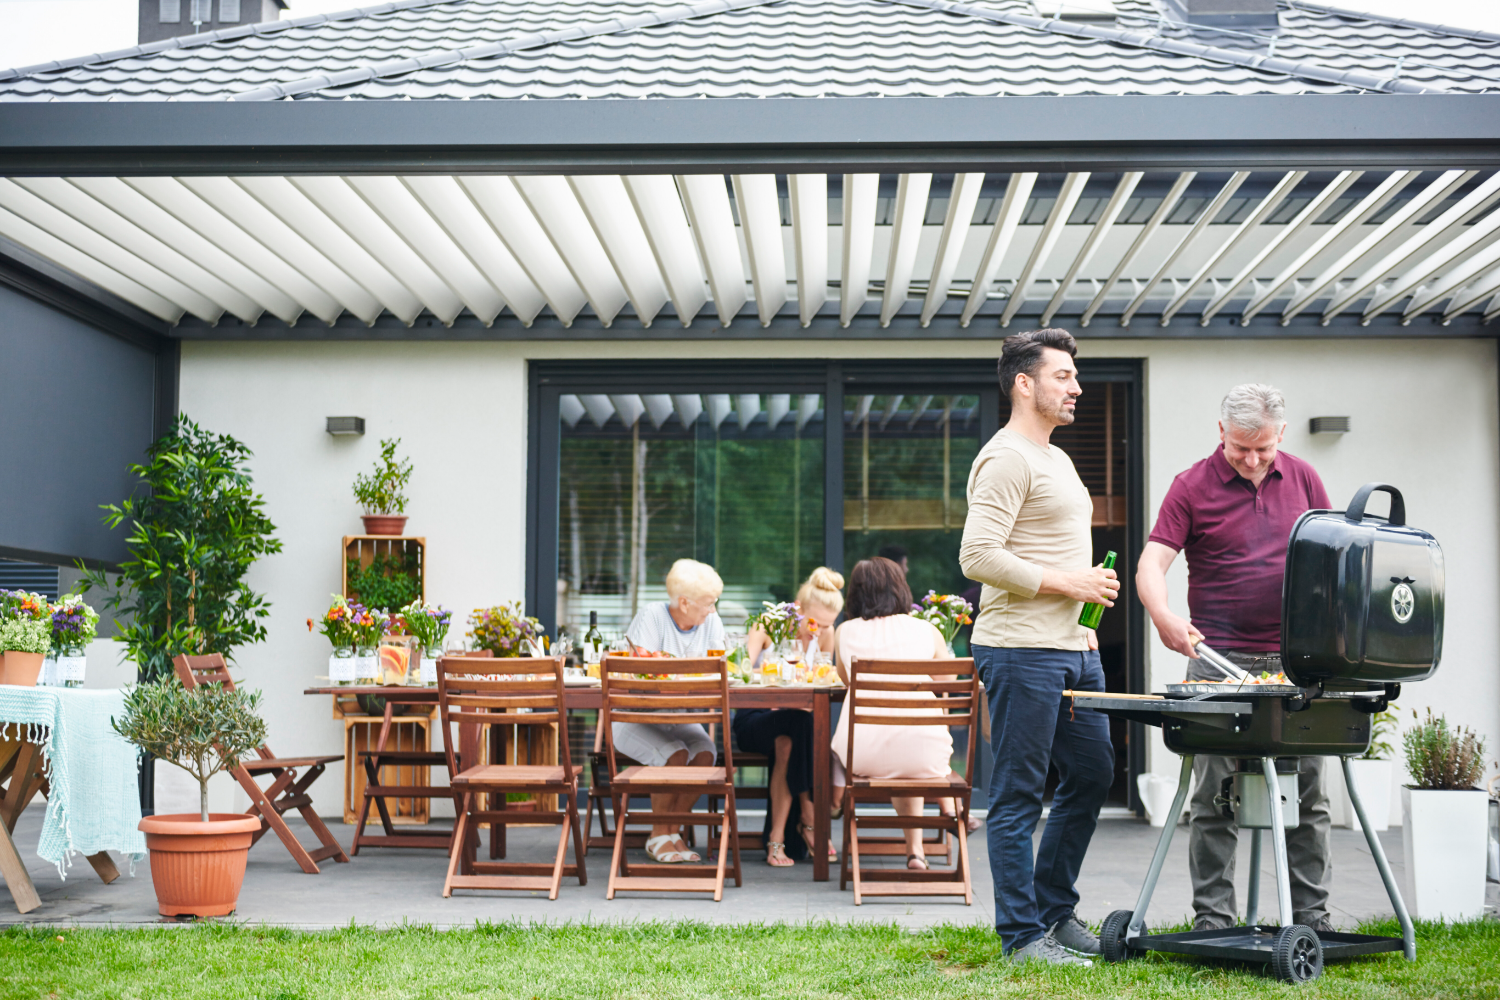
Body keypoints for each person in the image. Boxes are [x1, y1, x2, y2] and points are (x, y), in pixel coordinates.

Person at [1135, 383, 1335, 933]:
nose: (1251, 460)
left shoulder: (1305, 479)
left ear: (1281, 436)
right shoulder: (1191, 486)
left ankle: (1312, 919)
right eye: (1240, 447)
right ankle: (1213, 921)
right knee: (1212, 798)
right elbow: (1151, 566)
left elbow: (1333, 562)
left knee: (1310, 796)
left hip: (1296, 661)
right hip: (1216, 660)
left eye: (1263, 449)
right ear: (1220, 431)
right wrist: (1163, 615)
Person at [959, 328, 1117, 967]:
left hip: (1074, 647)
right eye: (1063, 376)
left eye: (1074, 377)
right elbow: (976, 556)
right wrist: (1068, 581)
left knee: (1093, 772)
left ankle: (1054, 913)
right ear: (1024, 384)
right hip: (1021, 649)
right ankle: (1021, 936)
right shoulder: (1006, 458)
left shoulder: (1059, 458)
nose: (1076, 387)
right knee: (1020, 792)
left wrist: (1082, 601)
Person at [831, 557, 956, 870]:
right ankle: (944, 818)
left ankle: (916, 853)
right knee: (909, 750)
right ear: (900, 589)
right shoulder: (926, 630)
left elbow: (846, 681)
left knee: (897, 751)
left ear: (855, 595)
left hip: (862, 753)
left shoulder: (844, 631)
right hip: (922, 751)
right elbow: (947, 681)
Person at [616, 558, 726, 865]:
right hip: (634, 718)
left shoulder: (710, 622)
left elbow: (721, 670)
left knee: (705, 753)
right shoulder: (652, 616)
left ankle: (670, 832)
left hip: (677, 716)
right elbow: (640, 675)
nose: (713, 610)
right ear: (684, 602)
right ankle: (659, 836)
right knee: (676, 754)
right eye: (708, 604)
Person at [736, 567, 843, 865]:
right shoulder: (767, 625)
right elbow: (740, 673)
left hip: (795, 723)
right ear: (797, 610)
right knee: (800, 727)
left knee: (790, 739)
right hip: (755, 719)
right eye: (814, 622)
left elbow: (821, 687)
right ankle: (809, 818)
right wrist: (775, 676)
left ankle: (777, 840)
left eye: (826, 625)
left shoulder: (826, 634)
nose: (818, 630)